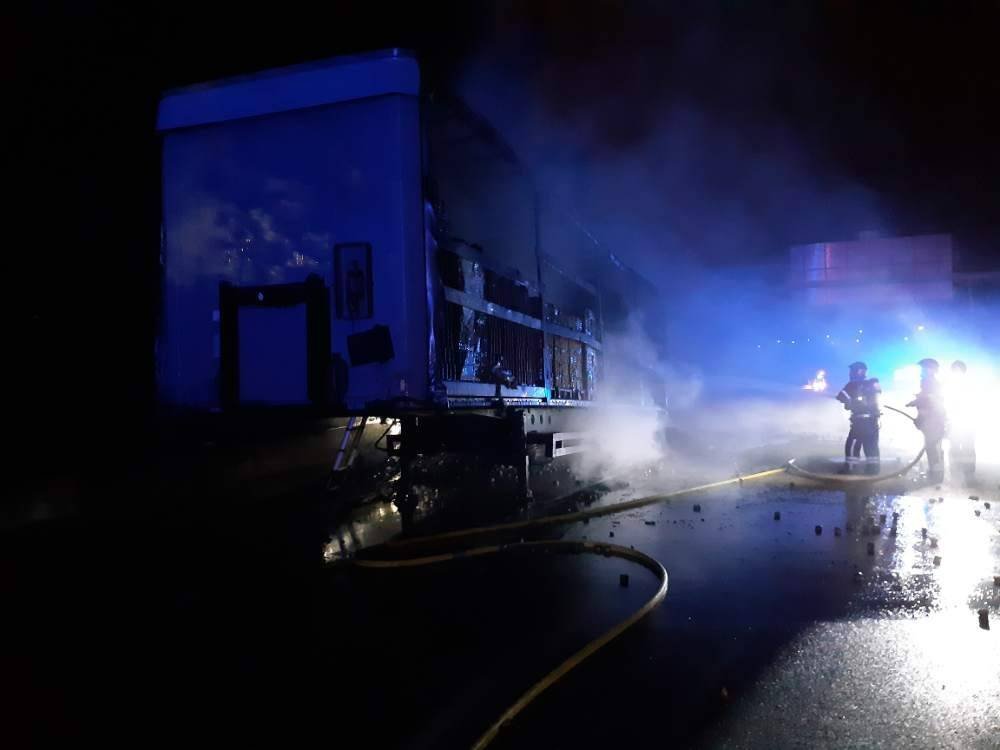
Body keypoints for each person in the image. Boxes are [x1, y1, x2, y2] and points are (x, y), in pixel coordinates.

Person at [836, 361, 882, 475]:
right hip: (873, 421)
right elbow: (877, 398)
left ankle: (850, 468)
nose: (850, 373)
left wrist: (849, 403)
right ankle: (873, 470)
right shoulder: (873, 384)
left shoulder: (852, 385)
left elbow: (841, 396)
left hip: (860, 422)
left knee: (852, 444)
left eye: (852, 371)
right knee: (871, 445)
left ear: (858, 371)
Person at [907, 358, 947, 484]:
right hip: (934, 420)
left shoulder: (929, 382)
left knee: (933, 447)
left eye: (923, 368)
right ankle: (937, 474)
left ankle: (936, 476)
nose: (922, 371)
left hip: (932, 420)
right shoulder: (930, 382)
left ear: (930, 370)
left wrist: (918, 406)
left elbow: (929, 401)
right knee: (934, 447)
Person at [947, 360, 976, 484]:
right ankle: (955, 473)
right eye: (955, 369)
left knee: (968, 449)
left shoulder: (969, 385)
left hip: (967, 422)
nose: (957, 372)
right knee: (954, 448)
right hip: (954, 422)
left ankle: (969, 474)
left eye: (959, 369)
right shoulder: (949, 385)